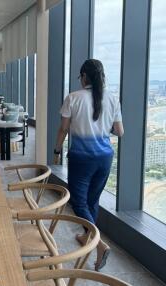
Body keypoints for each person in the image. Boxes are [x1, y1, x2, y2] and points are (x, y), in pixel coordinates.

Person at [53, 59, 124, 271]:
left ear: (84, 76)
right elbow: (119, 132)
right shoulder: (112, 99)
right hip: (104, 158)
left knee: (78, 201)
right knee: (92, 200)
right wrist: (101, 128)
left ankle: (99, 244)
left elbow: (63, 129)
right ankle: (87, 237)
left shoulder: (73, 98)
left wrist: (57, 150)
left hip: (81, 158)